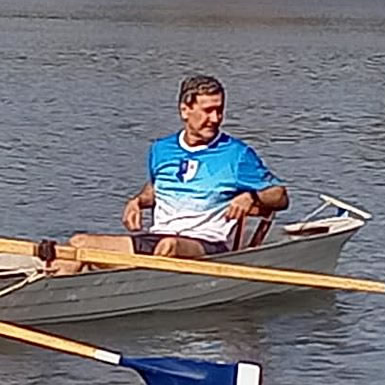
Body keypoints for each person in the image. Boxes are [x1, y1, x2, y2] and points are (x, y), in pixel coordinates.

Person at [56, 74, 288, 272]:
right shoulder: (161, 150)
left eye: (219, 110)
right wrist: (137, 201)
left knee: (169, 247)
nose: (215, 119)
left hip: (207, 244)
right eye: (208, 111)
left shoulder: (237, 154)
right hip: (157, 237)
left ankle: (128, 285)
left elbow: (280, 196)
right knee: (79, 243)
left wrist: (251, 196)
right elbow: (157, 189)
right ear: (185, 110)